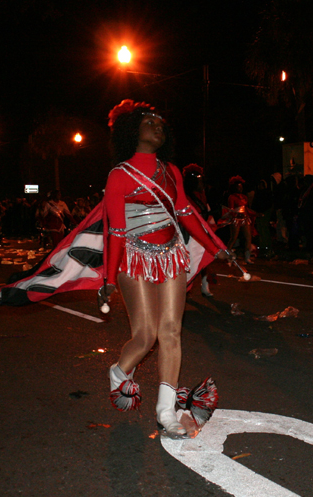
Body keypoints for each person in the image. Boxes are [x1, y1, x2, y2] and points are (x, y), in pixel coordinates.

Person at [99, 100, 231, 438]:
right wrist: (109, 277)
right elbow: (114, 230)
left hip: (172, 254)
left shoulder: (171, 171)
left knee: (171, 331)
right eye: (150, 122)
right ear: (132, 131)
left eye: (161, 123)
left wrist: (216, 246)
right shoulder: (119, 175)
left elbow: (185, 212)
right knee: (145, 336)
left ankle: (165, 411)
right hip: (134, 258)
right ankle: (119, 371)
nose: (158, 127)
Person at [183, 163, 217, 297]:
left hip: (202, 230)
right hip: (189, 233)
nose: (202, 184)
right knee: (190, 261)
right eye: (199, 181)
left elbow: (206, 211)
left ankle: (205, 285)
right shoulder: (185, 196)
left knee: (204, 259)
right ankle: (184, 286)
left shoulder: (202, 194)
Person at [225, 176, 255, 263]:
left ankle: (247, 257)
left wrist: (255, 213)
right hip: (236, 219)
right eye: (238, 187)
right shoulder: (232, 197)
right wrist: (237, 214)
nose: (240, 188)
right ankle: (227, 256)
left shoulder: (244, 197)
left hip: (245, 219)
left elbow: (246, 209)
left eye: (241, 187)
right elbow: (231, 209)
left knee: (248, 237)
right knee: (233, 238)